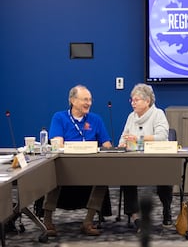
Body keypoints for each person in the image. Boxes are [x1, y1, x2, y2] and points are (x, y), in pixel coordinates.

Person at [43, 85, 112, 237]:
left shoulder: (96, 119)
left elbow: (107, 145)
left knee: (104, 176)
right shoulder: (59, 117)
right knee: (52, 175)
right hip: (67, 165)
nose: (89, 103)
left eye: (90, 100)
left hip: (91, 165)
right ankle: (47, 221)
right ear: (73, 101)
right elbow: (57, 144)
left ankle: (88, 222)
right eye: (85, 100)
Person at [118, 83, 173, 230]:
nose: (132, 103)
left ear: (147, 101)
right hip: (134, 162)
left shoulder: (158, 114)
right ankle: (135, 215)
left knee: (166, 175)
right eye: (132, 100)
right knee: (125, 175)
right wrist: (123, 144)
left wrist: (138, 139)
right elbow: (123, 138)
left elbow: (162, 136)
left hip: (157, 161)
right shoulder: (131, 117)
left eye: (136, 100)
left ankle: (167, 209)